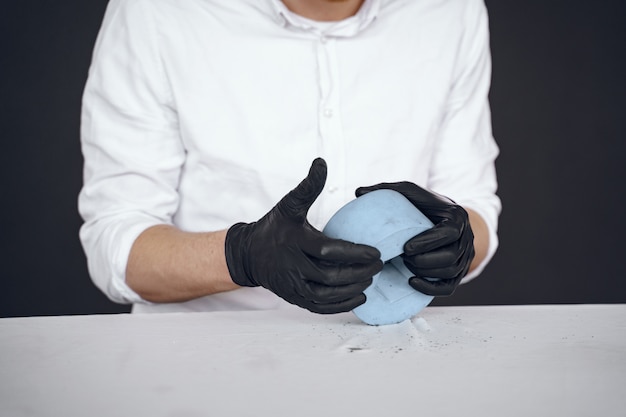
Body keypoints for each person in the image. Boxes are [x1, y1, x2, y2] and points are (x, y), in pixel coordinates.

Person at [78, 0, 501, 314]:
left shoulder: (450, 11)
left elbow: (473, 205)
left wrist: (456, 240)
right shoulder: (157, 13)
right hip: (202, 369)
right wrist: (241, 255)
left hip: (390, 363)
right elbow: (116, 243)